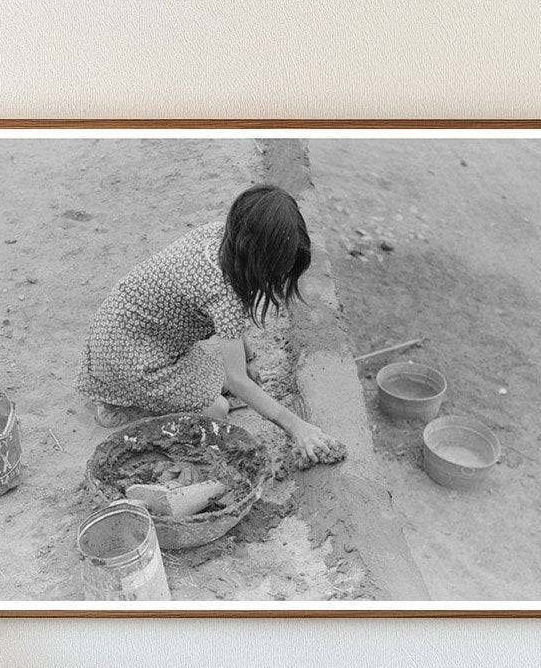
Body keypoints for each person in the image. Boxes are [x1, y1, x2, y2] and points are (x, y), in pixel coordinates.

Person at [77, 185, 345, 465]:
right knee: (218, 409)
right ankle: (124, 405)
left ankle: (128, 393)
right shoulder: (223, 293)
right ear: (260, 259)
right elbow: (238, 380)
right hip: (130, 358)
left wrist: (249, 358)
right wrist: (297, 427)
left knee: (223, 379)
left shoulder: (221, 237)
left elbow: (232, 335)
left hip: (123, 331)